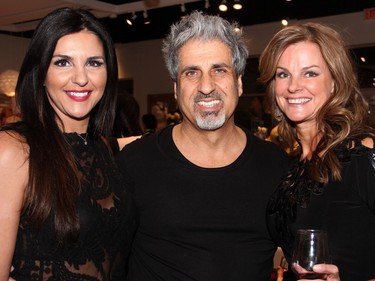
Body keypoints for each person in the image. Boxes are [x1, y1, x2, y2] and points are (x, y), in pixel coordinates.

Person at [117, 11, 290, 281]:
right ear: (176, 89)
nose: (206, 86)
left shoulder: (277, 167)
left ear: (239, 83)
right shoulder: (136, 163)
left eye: (219, 70)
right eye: (191, 72)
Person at [0, 7, 137, 281]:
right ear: (40, 73)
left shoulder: (106, 150)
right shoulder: (13, 151)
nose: (81, 78)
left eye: (94, 63)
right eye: (62, 62)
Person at [258, 22, 375, 281]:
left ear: (335, 82)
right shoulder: (293, 166)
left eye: (310, 73)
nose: (293, 86)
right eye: (283, 74)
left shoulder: (363, 154)